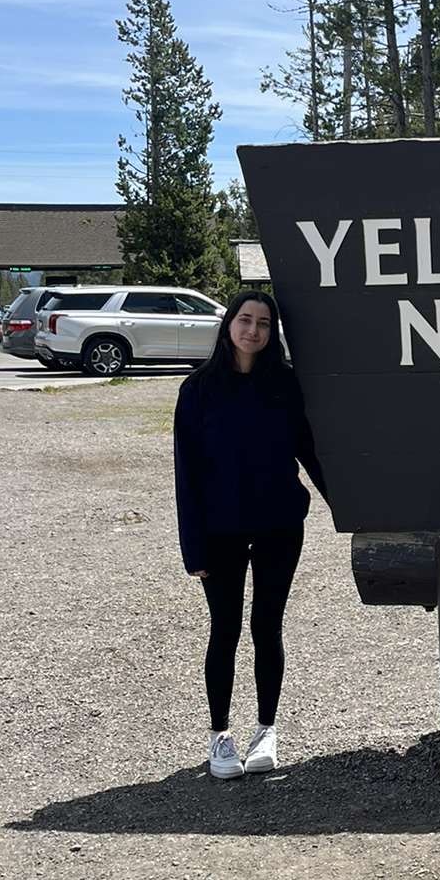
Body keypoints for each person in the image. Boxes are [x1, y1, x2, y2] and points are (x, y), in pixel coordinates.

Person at [173, 291, 327, 779]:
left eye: (263, 323)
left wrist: (350, 508)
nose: (253, 331)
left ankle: (266, 730)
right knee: (225, 630)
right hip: (219, 530)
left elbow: (311, 452)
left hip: (279, 525)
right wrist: (192, 547)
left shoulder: (285, 385)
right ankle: (220, 736)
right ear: (229, 325)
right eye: (245, 320)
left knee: (267, 627)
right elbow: (187, 475)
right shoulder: (198, 390)